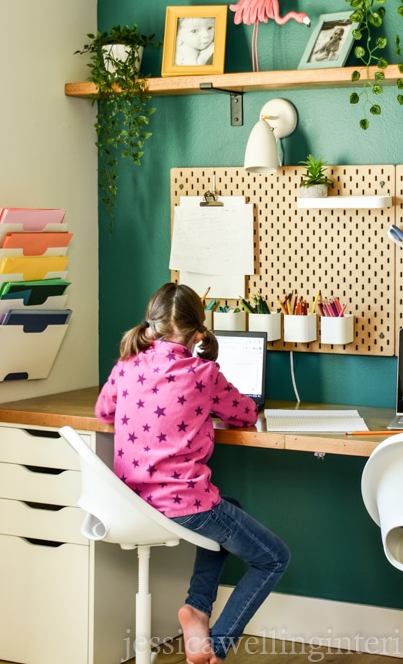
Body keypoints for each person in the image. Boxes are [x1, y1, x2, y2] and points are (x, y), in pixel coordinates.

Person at [94, 283, 290, 664]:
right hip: (184, 505)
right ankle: (216, 648)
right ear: (198, 331)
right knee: (273, 558)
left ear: (150, 325)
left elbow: (104, 409)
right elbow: (246, 414)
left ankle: (197, 610)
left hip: (133, 503)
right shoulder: (203, 373)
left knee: (225, 507)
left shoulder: (127, 364)